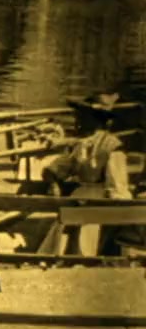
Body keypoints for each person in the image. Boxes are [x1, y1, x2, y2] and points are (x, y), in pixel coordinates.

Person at [39, 92, 137, 256]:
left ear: (96, 119)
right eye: (79, 115)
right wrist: (53, 183)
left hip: (99, 200)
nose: (78, 120)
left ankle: (83, 260)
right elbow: (56, 168)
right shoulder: (81, 143)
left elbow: (117, 186)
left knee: (86, 237)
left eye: (83, 116)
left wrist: (117, 209)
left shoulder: (112, 147)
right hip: (79, 196)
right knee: (63, 228)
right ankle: (59, 258)